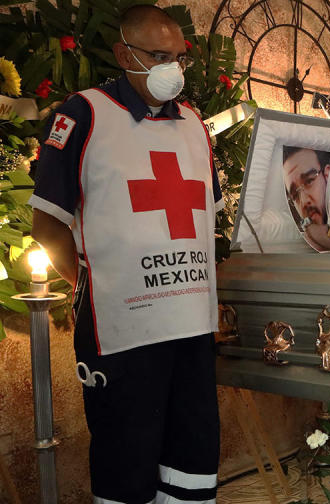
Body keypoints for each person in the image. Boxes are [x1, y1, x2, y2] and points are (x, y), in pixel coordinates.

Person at [29, 5, 221, 503]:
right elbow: (47, 222)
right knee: (126, 460)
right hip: (124, 332)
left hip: (191, 324)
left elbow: (204, 221)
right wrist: (92, 285)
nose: (171, 69)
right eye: (158, 55)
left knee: (193, 458)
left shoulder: (195, 125)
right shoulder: (84, 114)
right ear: (123, 53)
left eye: (178, 57)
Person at [282, 146, 330, 250]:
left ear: (328, 174)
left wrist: (320, 237)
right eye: (295, 194)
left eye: (308, 181)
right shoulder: (297, 244)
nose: (304, 201)